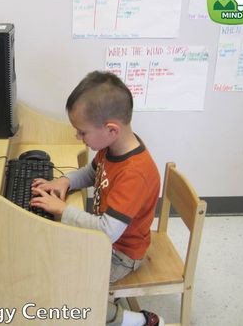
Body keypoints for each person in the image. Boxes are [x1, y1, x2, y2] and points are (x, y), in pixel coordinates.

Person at [30, 71, 163, 326]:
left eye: (82, 132)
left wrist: (62, 210)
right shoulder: (110, 148)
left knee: (70, 288)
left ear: (111, 129)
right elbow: (93, 172)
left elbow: (107, 231)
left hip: (122, 254)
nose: (78, 138)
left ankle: (135, 321)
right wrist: (65, 181)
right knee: (51, 257)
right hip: (108, 239)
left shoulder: (136, 173)